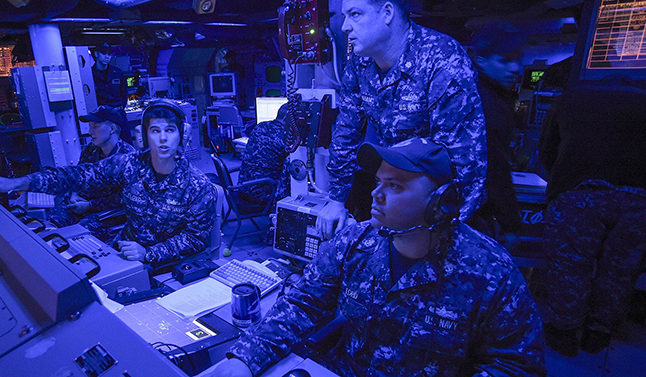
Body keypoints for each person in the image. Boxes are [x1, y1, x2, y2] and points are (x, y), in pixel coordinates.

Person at [209, 138, 545, 377]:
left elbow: (516, 366)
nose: (375, 193)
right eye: (378, 181)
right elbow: (303, 304)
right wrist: (245, 360)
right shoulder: (355, 241)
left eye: (395, 186)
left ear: (441, 202)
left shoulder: (490, 271)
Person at [317, 0, 487, 238]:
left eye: (355, 14)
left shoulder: (442, 60)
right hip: (395, 195)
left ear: (387, 13)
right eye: (344, 17)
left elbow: (464, 160)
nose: (344, 27)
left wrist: (448, 229)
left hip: (441, 208)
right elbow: (346, 134)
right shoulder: (359, 65)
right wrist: (336, 200)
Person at [0, 100, 217, 267]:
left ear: (182, 135)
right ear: (145, 135)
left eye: (170, 130)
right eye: (155, 131)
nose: (163, 138)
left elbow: (195, 239)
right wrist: (19, 183)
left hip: (162, 262)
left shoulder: (199, 187)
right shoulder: (128, 164)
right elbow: (77, 176)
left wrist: (148, 254)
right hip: (121, 247)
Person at [538, 74, 646, 357]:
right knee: (620, 272)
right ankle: (598, 334)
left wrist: (560, 182)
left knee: (570, 266)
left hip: (579, 193)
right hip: (638, 201)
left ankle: (563, 334)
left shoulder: (571, 98)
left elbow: (547, 148)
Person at [467, 22, 525, 244]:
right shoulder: (488, 105)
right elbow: (494, 167)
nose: (515, 68)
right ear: (481, 61)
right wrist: (510, 223)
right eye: (504, 60)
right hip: (472, 215)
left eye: (517, 59)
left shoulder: (473, 93)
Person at [47, 106, 135, 243]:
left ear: (112, 129)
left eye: (95, 126)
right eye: (89, 126)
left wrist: (90, 205)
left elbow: (124, 198)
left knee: (81, 231)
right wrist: (75, 194)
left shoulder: (129, 157)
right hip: (85, 201)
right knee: (55, 219)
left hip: (110, 209)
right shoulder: (91, 150)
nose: (90, 132)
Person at [237, 103, 291, 207]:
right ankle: (278, 215)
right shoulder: (284, 136)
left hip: (243, 187)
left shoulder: (260, 126)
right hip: (260, 193)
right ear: (286, 119)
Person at [92, 43, 126, 108]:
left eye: (109, 54)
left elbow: (124, 94)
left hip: (117, 112)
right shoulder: (90, 74)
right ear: (96, 54)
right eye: (103, 53)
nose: (107, 56)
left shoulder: (118, 73)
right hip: (100, 114)